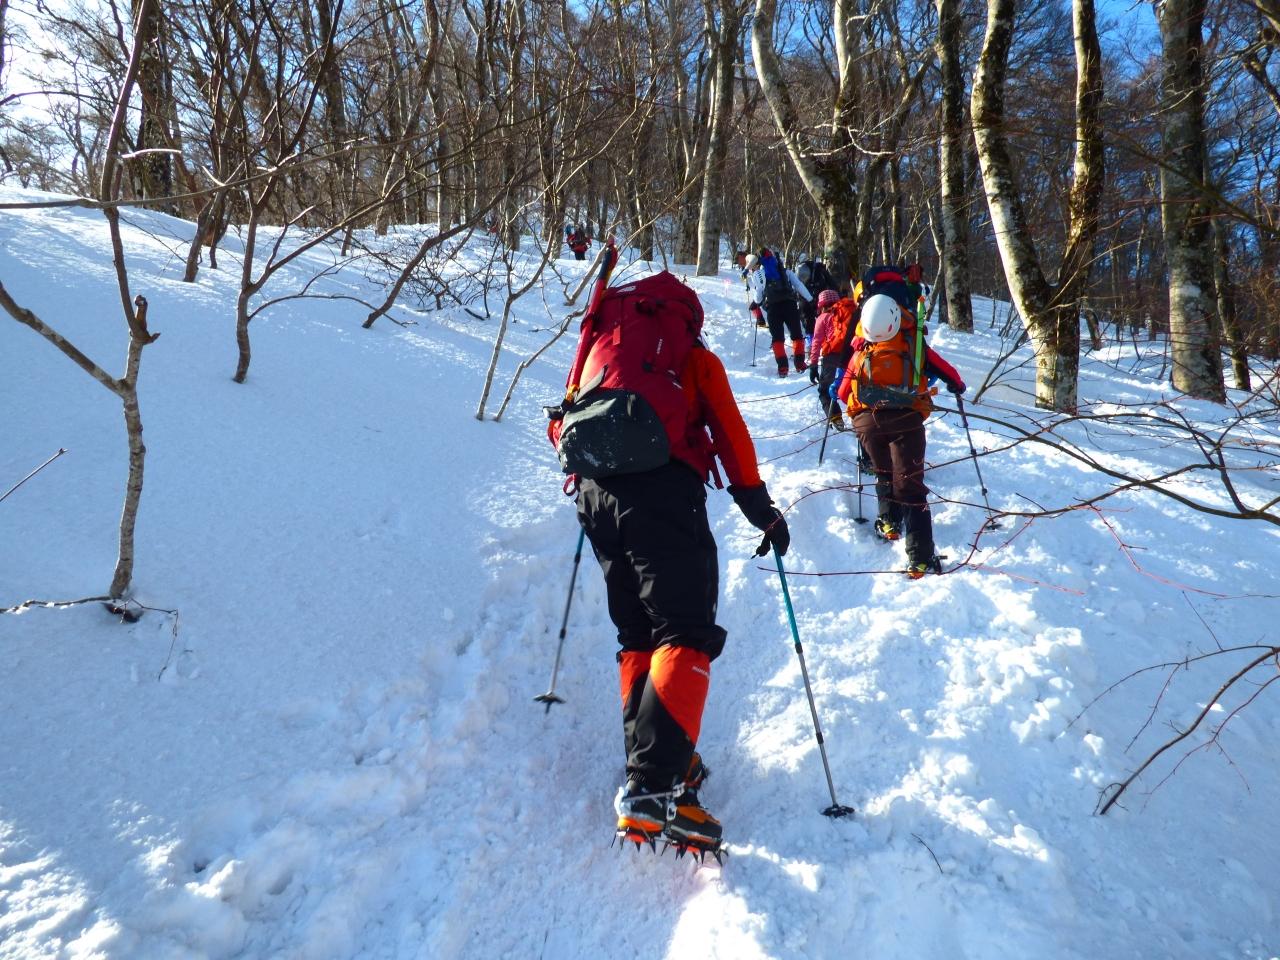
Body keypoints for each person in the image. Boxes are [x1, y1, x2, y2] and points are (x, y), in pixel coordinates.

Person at [554, 272, 791, 858]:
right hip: (663, 491)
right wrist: (760, 508)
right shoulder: (688, 353)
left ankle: (657, 766)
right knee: (682, 628)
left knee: (638, 633)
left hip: (596, 497)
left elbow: (561, 424)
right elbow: (729, 430)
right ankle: (656, 790)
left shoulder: (598, 347)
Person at [833, 292, 965, 579]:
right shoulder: (913, 345)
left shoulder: (861, 349)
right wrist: (956, 384)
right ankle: (920, 557)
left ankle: (889, 522)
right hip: (907, 421)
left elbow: (843, 392)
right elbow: (947, 371)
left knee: (883, 472)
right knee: (910, 484)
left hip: (868, 424)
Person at [745, 249, 812, 376]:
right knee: (797, 335)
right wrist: (811, 299)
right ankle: (800, 364)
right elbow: (799, 285)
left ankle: (783, 368)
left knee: (777, 338)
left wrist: (756, 296)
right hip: (790, 305)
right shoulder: (786, 272)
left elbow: (758, 299)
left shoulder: (759, 275)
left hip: (773, 308)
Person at [807, 288, 848, 426]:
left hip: (831, 356)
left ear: (821, 305)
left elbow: (816, 342)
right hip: (850, 355)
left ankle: (836, 419)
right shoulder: (846, 314)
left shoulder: (822, 318)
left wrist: (813, 365)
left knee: (824, 390)